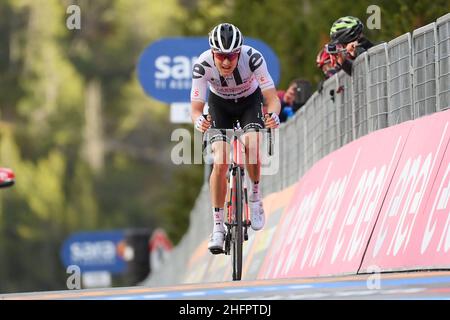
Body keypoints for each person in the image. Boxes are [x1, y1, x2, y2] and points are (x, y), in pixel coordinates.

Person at [190, 23, 281, 254]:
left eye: (232, 56)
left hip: (250, 103)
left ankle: (255, 197)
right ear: (213, 53)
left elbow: (272, 98)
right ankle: (218, 226)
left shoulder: (253, 58)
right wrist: (199, 120)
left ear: (239, 52)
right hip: (219, 106)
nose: (227, 62)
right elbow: (195, 108)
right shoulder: (202, 65)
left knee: (252, 143)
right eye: (221, 56)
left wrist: (273, 116)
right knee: (220, 161)